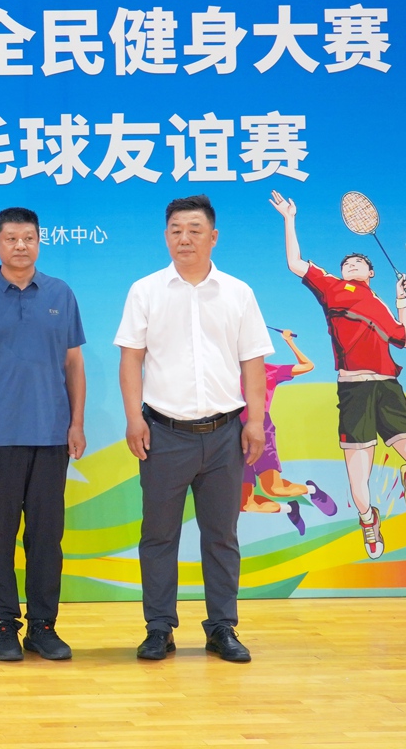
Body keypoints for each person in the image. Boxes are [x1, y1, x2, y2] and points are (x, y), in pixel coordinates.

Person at [115, 195, 271, 665]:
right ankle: (158, 628)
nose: (185, 238)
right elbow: (131, 360)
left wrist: (256, 422)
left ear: (213, 237)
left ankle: (222, 627)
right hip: (164, 433)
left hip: (225, 434)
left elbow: (253, 361)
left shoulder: (238, 292)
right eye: (176, 230)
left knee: (221, 536)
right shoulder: (145, 290)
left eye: (195, 230)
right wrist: (134, 418)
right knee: (158, 535)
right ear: (166, 237)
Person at [269, 191, 406, 559]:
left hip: (388, 389)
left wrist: (402, 302)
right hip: (354, 391)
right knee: (359, 480)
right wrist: (289, 218)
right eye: (347, 263)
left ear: (371, 272)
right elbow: (295, 262)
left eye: (358, 262)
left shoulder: (380, 305)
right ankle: (367, 519)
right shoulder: (331, 287)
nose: (352, 264)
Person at [0, 206, 85, 663]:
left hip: (51, 434)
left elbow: (73, 363)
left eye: (28, 237)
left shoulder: (61, 293)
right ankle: (4, 624)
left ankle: (43, 626)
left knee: (47, 537)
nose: (20, 246)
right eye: (10, 238)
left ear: (39, 242)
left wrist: (76, 423)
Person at [242, 328, 314, 515]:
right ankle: (289, 509)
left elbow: (307, 365)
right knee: (245, 504)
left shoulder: (270, 370)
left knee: (273, 488)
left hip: (261, 425)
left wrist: (289, 341)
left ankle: (312, 490)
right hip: (232, 428)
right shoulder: (226, 372)